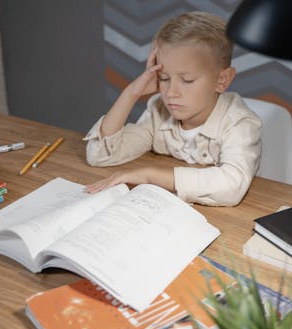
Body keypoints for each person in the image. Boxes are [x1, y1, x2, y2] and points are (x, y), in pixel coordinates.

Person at [83, 11, 261, 206]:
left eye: (187, 80)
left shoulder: (240, 124)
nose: (171, 93)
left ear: (222, 80)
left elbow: (231, 187)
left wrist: (150, 175)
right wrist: (131, 93)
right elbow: (99, 156)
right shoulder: (158, 111)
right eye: (164, 78)